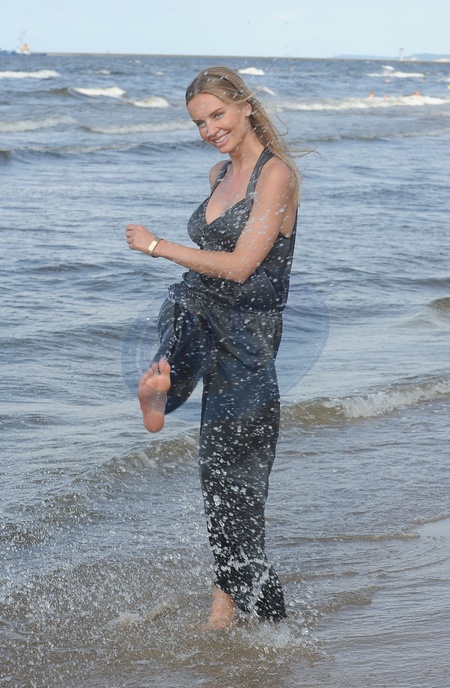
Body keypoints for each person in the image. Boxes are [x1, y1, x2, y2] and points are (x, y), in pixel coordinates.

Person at [125, 66, 300, 630]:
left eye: (217, 115)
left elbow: (244, 265)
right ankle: (167, 385)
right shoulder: (219, 172)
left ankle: (246, 611)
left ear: (245, 106)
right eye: (200, 122)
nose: (209, 129)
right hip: (200, 313)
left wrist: (157, 245)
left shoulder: (277, 175)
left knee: (233, 479)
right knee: (220, 474)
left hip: (248, 338)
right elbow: (212, 269)